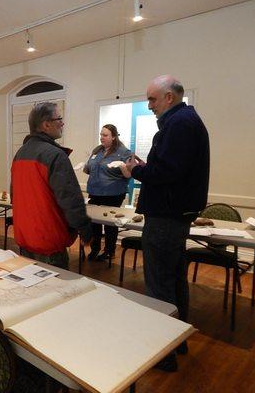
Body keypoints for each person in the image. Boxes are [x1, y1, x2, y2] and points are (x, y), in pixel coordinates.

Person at [126, 75, 210, 370]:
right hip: (174, 216)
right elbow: (172, 170)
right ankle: (178, 340)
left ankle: (164, 352)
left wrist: (135, 171)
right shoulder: (186, 121)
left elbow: (167, 173)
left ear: (169, 98)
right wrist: (146, 168)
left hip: (165, 217)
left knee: (159, 283)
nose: (149, 105)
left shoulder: (179, 124)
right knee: (174, 280)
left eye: (152, 99)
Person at [11, 102, 93, 270]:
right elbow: (70, 200)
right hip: (48, 239)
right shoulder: (54, 155)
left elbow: (14, 195)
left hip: (26, 236)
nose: (62, 123)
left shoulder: (20, 153)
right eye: (59, 118)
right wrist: (85, 230)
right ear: (46, 125)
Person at [83, 124, 131, 261]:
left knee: (110, 224)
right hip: (95, 192)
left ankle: (109, 251)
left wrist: (122, 165)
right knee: (94, 223)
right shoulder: (97, 150)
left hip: (113, 194)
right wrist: (85, 165)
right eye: (101, 134)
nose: (101, 138)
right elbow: (89, 170)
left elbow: (128, 175)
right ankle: (95, 248)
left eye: (105, 135)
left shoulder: (123, 152)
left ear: (114, 136)